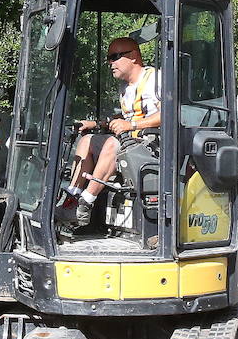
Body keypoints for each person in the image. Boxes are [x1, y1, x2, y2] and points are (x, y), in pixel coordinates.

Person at [58, 37, 161, 229]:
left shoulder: (155, 79)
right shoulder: (125, 87)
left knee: (113, 145)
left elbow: (168, 114)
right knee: (88, 140)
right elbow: (121, 118)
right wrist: (96, 123)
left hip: (152, 147)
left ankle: (85, 204)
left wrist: (131, 125)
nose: (110, 63)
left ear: (133, 57)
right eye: (108, 58)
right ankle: (72, 198)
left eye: (115, 57)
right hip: (131, 143)